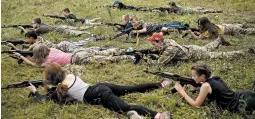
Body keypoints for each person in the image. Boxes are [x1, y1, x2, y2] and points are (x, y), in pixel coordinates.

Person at [26, 63, 171, 119]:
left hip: (100, 95)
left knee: (127, 108)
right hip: (100, 86)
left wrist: (34, 91)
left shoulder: (61, 89)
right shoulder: (69, 76)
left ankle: (159, 116)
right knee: (131, 88)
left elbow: (45, 99)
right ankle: (162, 84)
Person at [174, 62, 255, 114]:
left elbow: (196, 105)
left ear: (202, 76)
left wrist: (182, 92)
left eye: (194, 76)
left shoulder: (206, 86)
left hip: (239, 104)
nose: (192, 77)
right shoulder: (214, 77)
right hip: (244, 95)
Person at [144, 32, 253, 65]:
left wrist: (147, 60)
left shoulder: (170, 49)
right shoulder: (166, 41)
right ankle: (219, 40)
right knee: (206, 48)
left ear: (159, 41)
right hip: (192, 48)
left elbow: (160, 63)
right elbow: (162, 51)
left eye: (154, 43)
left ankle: (245, 51)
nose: (153, 46)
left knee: (220, 55)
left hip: (194, 54)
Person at [13, 44, 137, 67]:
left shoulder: (48, 61)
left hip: (76, 59)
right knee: (104, 52)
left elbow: (34, 64)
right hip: (77, 52)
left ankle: (129, 57)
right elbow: (40, 46)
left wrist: (22, 56)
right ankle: (126, 50)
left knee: (105, 59)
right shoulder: (52, 50)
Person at [7, 31, 105, 53]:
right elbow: (29, 45)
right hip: (63, 44)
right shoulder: (39, 39)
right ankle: (96, 38)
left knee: (84, 49)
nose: (27, 41)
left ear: (32, 38)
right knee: (81, 42)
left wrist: (13, 47)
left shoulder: (37, 44)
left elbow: (27, 51)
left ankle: (103, 48)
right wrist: (23, 44)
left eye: (28, 39)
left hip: (64, 48)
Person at [188, 17, 255, 39]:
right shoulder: (210, 26)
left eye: (200, 25)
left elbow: (198, 38)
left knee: (248, 31)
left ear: (203, 25)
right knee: (243, 26)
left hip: (231, 29)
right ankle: (249, 23)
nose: (199, 26)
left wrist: (191, 33)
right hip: (228, 26)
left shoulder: (208, 32)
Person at [18, 18, 93, 36]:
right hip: (61, 27)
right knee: (78, 29)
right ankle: (90, 27)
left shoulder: (40, 28)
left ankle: (89, 33)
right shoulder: (42, 24)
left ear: (37, 23)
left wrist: (22, 29)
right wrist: (33, 27)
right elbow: (36, 28)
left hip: (62, 30)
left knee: (77, 33)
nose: (32, 24)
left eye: (33, 23)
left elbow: (29, 34)